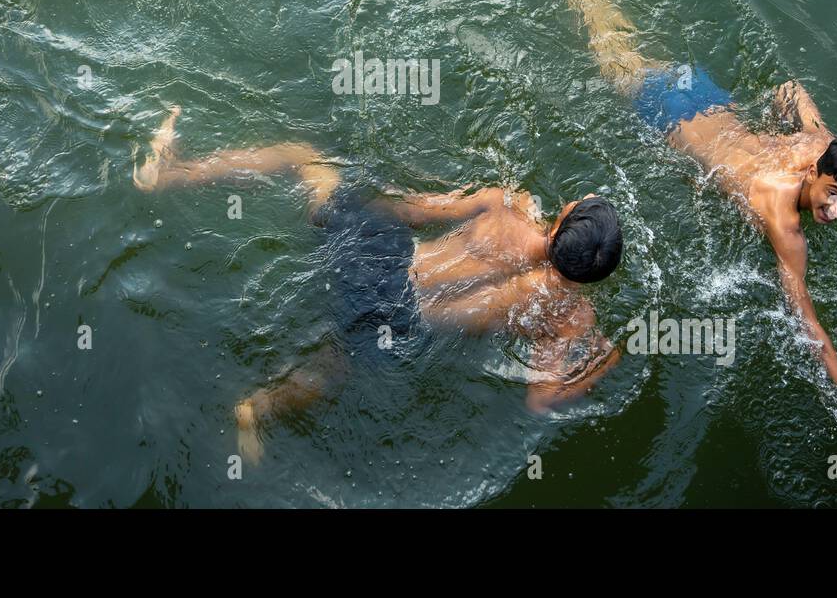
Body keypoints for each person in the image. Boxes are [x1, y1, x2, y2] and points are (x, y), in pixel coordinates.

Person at [534, 0, 837, 448]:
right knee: (601, 33)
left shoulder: (822, 145)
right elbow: (809, 327)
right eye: (835, 195)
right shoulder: (783, 222)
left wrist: (767, 139)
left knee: (621, 33)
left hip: (705, 92)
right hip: (667, 111)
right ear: (819, 174)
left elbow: (790, 89)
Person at [133, 106, 624, 462]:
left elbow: (414, 210)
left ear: (562, 220)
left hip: (379, 256)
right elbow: (540, 400)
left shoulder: (505, 207)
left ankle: (174, 173)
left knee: (304, 157)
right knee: (335, 367)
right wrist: (604, 362)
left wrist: (356, 212)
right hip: (399, 319)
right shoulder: (568, 316)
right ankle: (256, 408)